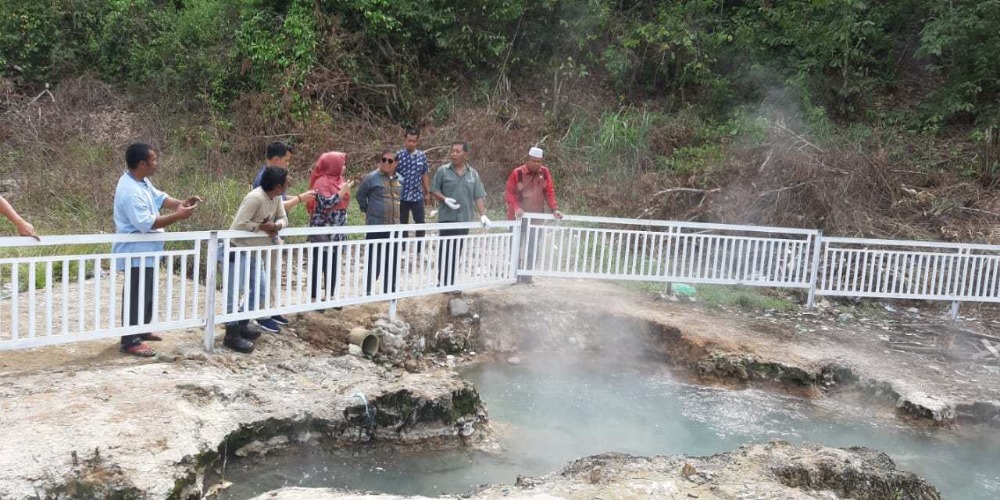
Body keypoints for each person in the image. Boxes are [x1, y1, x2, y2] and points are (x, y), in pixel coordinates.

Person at [112, 143, 201, 357]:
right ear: (142, 164)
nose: (156, 163)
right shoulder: (129, 190)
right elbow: (146, 223)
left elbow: (160, 197)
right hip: (136, 251)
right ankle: (130, 340)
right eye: (153, 159)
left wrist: (181, 203)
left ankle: (141, 330)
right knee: (136, 295)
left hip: (148, 251)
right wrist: (179, 216)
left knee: (147, 293)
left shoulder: (141, 182)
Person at [224, 166, 290, 353]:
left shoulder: (276, 197)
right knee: (233, 293)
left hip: (255, 251)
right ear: (278, 186)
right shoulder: (255, 197)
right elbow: (239, 224)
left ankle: (243, 323)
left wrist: (275, 226)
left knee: (261, 291)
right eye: (286, 182)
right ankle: (231, 333)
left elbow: (284, 218)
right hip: (238, 249)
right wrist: (262, 228)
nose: (288, 184)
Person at [250, 141, 316, 326]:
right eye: (286, 161)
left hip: (273, 233)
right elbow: (275, 205)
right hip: (263, 234)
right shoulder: (263, 178)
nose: (288, 164)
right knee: (264, 275)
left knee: (272, 273)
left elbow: (280, 204)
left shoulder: (274, 176)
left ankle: (270, 310)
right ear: (277, 159)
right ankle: (262, 314)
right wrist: (301, 199)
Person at [430, 141, 487, 288]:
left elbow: (478, 196)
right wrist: (444, 199)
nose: (454, 154)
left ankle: (451, 281)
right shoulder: (443, 171)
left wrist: (483, 214)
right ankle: (441, 282)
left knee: (457, 251)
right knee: (444, 250)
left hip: (464, 219)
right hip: (447, 218)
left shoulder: (473, 174)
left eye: (458, 151)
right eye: (453, 151)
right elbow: (434, 190)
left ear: (465, 154)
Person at [504, 146, 563, 284]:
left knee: (533, 247)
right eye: (534, 161)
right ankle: (515, 276)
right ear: (527, 160)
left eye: (539, 161)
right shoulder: (517, 173)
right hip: (517, 217)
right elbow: (509, 193)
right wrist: (517, 207)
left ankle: (527, 276)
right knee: (516, 247)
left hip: (536, 217)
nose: (536, 164)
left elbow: (549, 192)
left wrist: (554, 209)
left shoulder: (545, 173)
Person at [306, 152, 353, 305]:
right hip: (323, 228)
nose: (344, 167)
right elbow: (325, 203)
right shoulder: (321, 182)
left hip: (337, 228)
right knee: (319, 262)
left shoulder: (341, 180)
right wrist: (342, 192)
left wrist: (343, 190)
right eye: (341, 163)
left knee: (333, 261)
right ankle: (314, 297)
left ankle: (330, 295)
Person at [356, 149, 402, 295]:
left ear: (396, 163)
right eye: (383, 159)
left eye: (389, 161)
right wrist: (369, 211)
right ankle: (368, 291)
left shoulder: (400, 179)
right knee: (373, 259)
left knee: (392, 259)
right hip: (376, 225)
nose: (385, 163)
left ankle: (390, 290)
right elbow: (360, 195)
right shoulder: (371, 178)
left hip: (394, 226)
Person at [395, 127, 431, 261]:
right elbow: (392, 173)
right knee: (403, 223)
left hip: (417, 195)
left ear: (417, 142)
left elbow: (424, 174)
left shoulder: (422, 156)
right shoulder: (398, 155)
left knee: (420, 222)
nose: (411, 143)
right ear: (405, 140)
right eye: (409, 140)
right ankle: (403, 249)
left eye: (414, 141)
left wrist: (427, 192)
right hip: (402, 196)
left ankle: (420, 250)